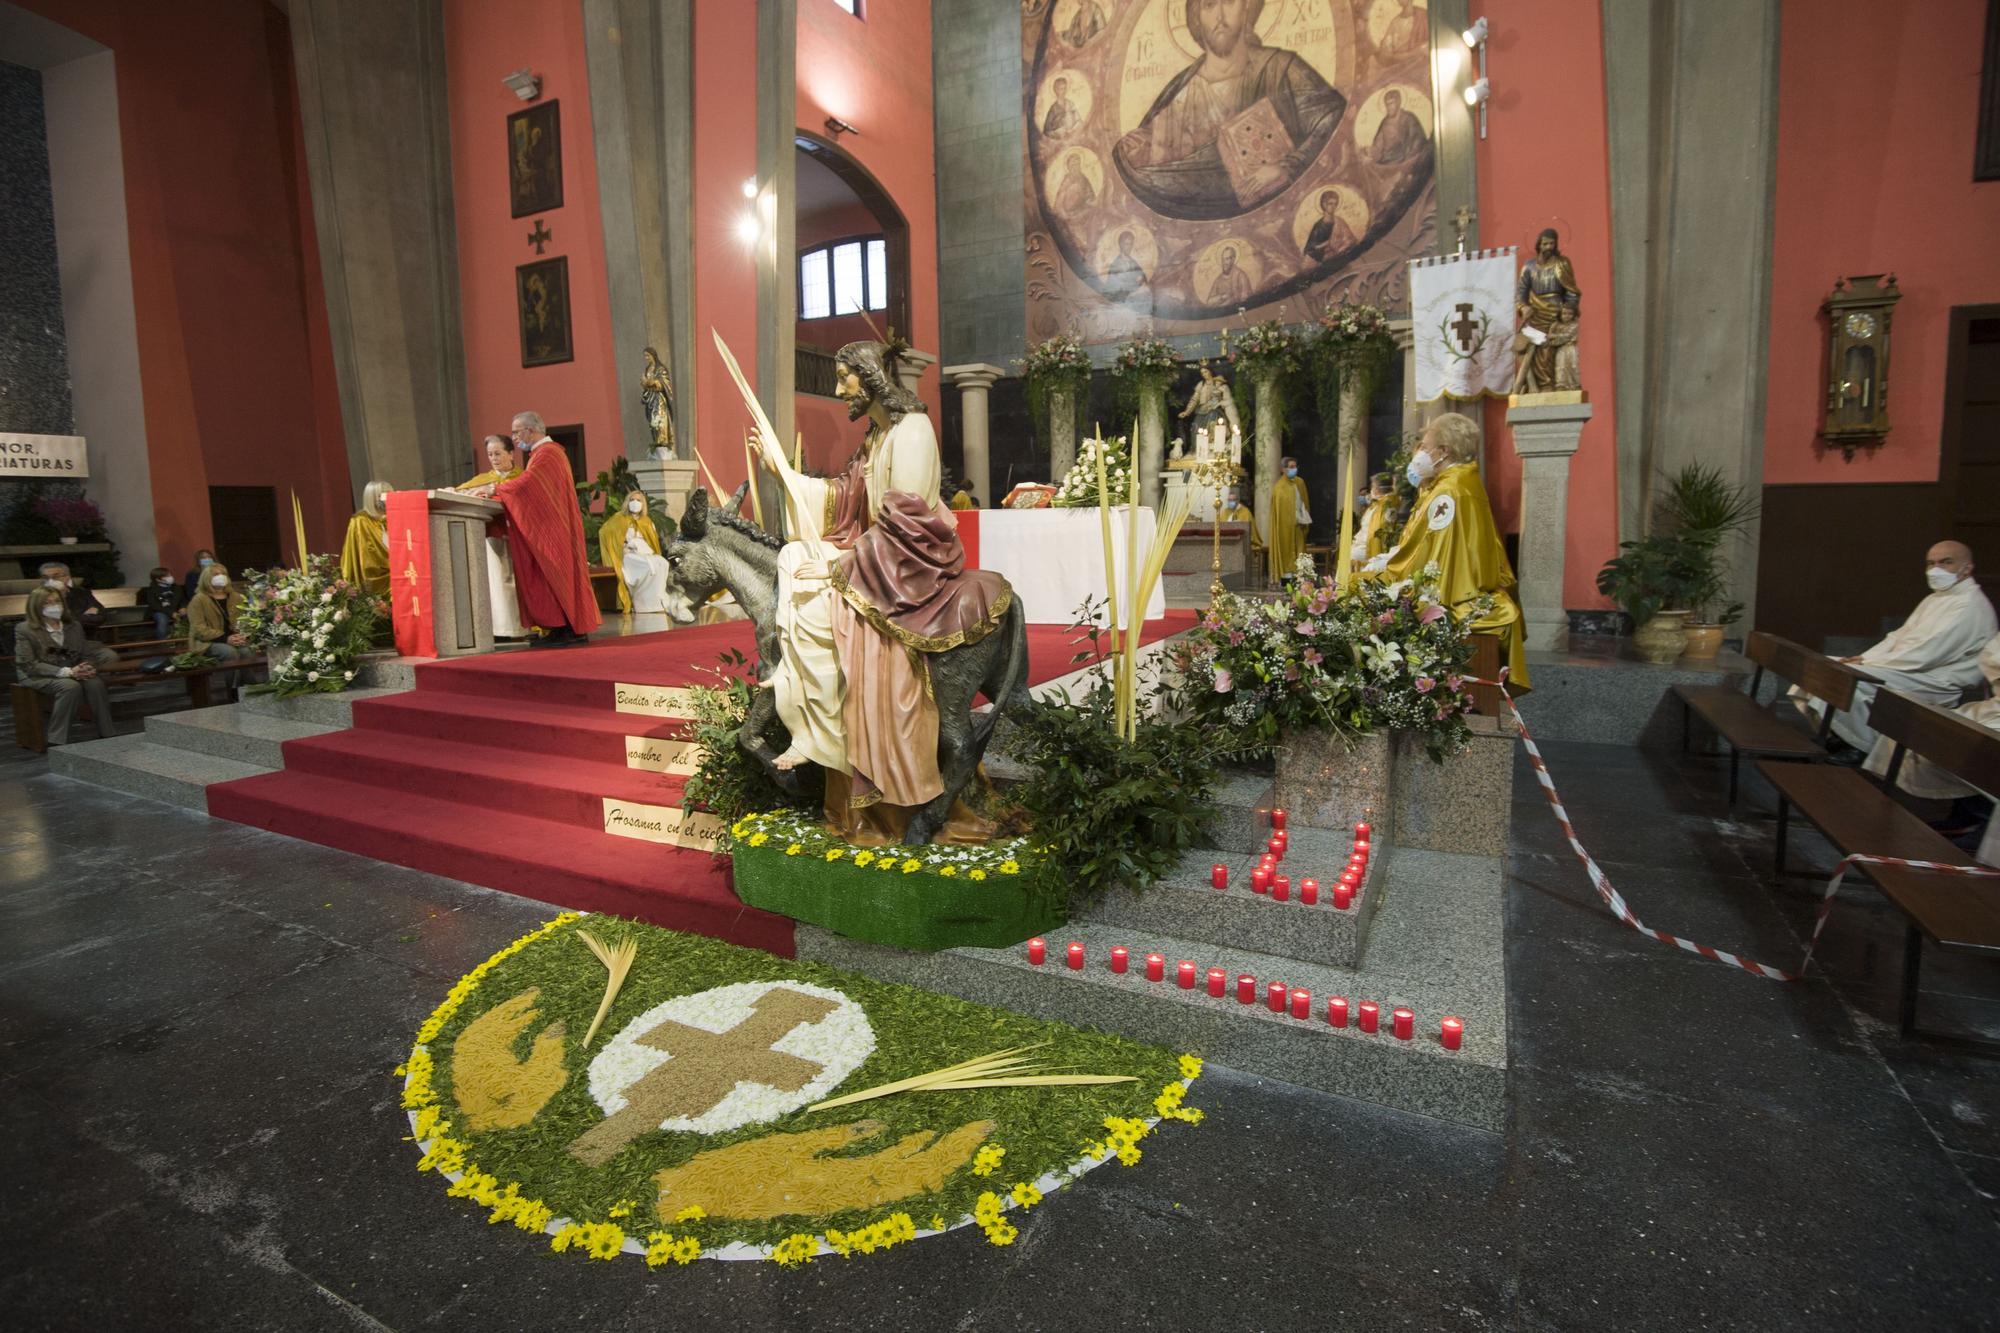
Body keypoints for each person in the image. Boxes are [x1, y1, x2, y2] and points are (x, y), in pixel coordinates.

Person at [748, 339, 1008, 842]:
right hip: (874, 552)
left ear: (870, 378)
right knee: (792, 557)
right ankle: (809, 724)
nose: (839, 386)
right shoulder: (877, 435)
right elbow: (844, 498)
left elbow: (908, 524)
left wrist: (842, 568)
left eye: (845, 376)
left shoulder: (911, 432)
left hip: (909, 565)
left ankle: (830, 732)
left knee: (834, 605)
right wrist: (782, 472)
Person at [1113, 0, 1346, 220]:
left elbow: (1331, 119)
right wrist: (1138, 147)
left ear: (1247, 7)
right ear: (1196, 17)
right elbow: (1156, 153)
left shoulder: (1281, 68)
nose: (1220, 16)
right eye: (1209, 4)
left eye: (1230, 1)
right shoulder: (1180, 89)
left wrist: (1290, 166)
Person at [1362, 413, 1530, 690]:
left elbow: (1435, 560)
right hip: (1459, 578)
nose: (1421, 453)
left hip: (1451, 591)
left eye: (1426, 447)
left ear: (1444, 451)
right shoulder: (1458, 482)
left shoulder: (1450, 492)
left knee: (1358, 589)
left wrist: (1390, 567)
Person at [1798, 541, 1996, 753]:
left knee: (1850, 681)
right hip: (1909, 668)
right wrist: (1865, 657)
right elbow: (1898, 636)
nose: (1936, 570)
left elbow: (1928, 652)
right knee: (1821, 667)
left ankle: (1861, 747)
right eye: (1931, 563)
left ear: (1967, 568)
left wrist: (1869, 662)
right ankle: (1836, 735)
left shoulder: (1970, 605)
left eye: (1946, 562)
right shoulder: (1935, 599)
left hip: (1936, 681)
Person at [471, 411, 602, 648]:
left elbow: (528, 484)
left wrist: (495, 490)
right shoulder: (545, 453)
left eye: (516, 431)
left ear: (529, 430)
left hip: (552, 531)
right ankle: (562, 628)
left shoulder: (547, 454)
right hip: (554, 527)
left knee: (555, 577)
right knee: (554, 578)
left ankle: (567, 629)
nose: (514, 437)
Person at [1864, 633, 2000, 833]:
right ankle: (1971, 811)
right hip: (1993, 708)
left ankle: (1983, 819)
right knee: (1923, 732)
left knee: (1968, 746)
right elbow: (1992, 654)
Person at [15, 585, 120, 746]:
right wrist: (68, 672)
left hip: (72, 669)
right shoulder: (25, 629)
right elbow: (29, 664)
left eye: (56, 601)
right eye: (47, 603)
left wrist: (88, 667)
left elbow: (86, 653)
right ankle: (57, 739)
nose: (53, 606)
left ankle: (108, 731)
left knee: (95, 682)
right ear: (36, 606)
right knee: (70, 686)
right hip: (36, 674)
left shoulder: (74, 626)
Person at [456, 435, 528, 637]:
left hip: (519, 536)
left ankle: (522, 627)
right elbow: (460, 492)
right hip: (493, 534)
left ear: (511, 454)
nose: (494, 458)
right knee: (497, 581)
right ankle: (501, 628)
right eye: (490, 454)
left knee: (517, 580)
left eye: (498, 453)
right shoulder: (482, 480)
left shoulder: (522, 477)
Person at [1513, 228, 1582, 395]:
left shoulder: (1562, 263)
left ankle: (1550, 385)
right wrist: (1523, 307)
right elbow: (1520, 292)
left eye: (1551, 243)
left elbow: (1572, 292)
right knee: (1530, 350)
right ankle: (1537, 386)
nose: (1548, 247)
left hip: (1556, 312)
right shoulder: (1529, 266)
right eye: (1545, 244)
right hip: (1535, 312)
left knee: (1548, 350)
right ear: (1539, 245)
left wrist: (1568, 311)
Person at [599, 490, 669, 614]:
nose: (635, 503)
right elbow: (604, 531)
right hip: (628, 554)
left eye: (638, 500)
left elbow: (651, 539)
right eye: (632, 500)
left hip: (645, 552)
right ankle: (642, 604)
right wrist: (622, 544)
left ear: (643, 504)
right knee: (648, 567)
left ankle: (656, 602)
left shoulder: (646, 521)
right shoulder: (619, 518)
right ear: (627, 502)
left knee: (663, 563)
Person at [186, 562, 253, 692]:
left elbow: (246, 620)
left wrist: (243, 634)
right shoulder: (199, 600)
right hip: (207, 642)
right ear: (207, 578)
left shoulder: (236, 597)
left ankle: (250, 688)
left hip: (235, 638)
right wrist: (226, 638)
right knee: (229, 652)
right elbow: (199, 628)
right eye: (216, 574)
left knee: (246, 651)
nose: (220, 576)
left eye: (223, 574)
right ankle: (234, 690)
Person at [340, 480, 392, 596]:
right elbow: (352, 553)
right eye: (382, 495)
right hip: (375, 581)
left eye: (390, 494)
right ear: (372, 498)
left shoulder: (394, 519)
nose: (387, 499)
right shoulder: (360, 521)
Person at [1269, 455, 1311, 584]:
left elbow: (1305, 502)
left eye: (1295, 467)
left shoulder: (1300, 482)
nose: (1294, 469)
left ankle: (1301, 578)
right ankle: (1286, 579)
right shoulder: (1279, 488)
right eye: (1291, 467)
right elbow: (1279, 513)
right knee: (1287, 553)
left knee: (1300, 554)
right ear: (1283, 469)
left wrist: (1304, 517)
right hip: (1285, 529)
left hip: (1299, 525)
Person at [1368, 88, 1429, 166]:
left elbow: (1418, 142)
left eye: (1391, 103)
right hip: (1386, 161)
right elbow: (1378, 144)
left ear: (1398, 102)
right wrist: (1372, 151)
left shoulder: (1409, 118)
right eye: (1387, 104)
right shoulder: (1385, 122)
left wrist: (1407, 160)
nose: (1389, 107)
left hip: (1405, 160)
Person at [1351, 472, 1398, 566]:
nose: (1371, 490)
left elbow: (1378, 531)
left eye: (1372, 486)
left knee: (1352, 556)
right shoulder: (1375, 505)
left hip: (1368, 548)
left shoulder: (1387, 506)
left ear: (1377, 489)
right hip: (1360, 544)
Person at [40, 562, 105, 631]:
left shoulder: (81, 593)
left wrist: (67, 619)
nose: (50, 581)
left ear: (68, 577)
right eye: (45, 577)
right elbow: (48, 621)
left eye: (56, 577)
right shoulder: (39, 597)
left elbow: (100, 616)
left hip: (85, 636)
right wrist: (84, 616)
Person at [1303, 188, 1360, 265]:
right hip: (1326, 260)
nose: (1333, 206)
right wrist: (1326, 244)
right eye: (1330, 203)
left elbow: (1350, 239)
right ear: (1324, 204)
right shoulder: (1318, 226)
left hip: (1342, 255)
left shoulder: (1339, 221)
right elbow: (1310, 248)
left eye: (1335, 204)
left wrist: (1342, 247)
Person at [1101, 230, 1147, 302]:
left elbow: (1142, 278)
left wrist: (1141, 280)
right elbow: (1114, 287)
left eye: (1131, 244)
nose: (1129, 247)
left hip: (1135, 296)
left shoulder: (1133, 262)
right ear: (1121, 244)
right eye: (1126, 244)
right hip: (1123, 299)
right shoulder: (1116, 264)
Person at [140, 566, 183, 640]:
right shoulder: (151, 590)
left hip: (175, 610)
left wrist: (183, 607)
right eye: (167, 576)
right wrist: (171, 613)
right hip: (159, 611)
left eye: (170, 575)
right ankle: (162, 642)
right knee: (162, 619)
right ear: (158, 579)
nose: (170, 577)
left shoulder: (176, 588)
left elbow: (182, 599)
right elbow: (155, 606)